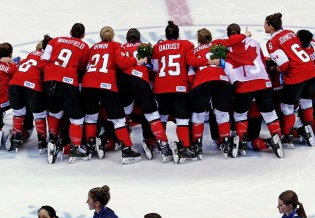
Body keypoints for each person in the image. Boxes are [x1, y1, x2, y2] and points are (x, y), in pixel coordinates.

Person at [212, 23, 284, 158]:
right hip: (263, 82)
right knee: (270, 114)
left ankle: (242, 143)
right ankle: (277, 139)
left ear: (228, 35)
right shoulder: (255, 42)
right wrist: (244, 37)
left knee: (240, 115)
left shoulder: (223, 46)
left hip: (243, 85)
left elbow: (214, 51)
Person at [151, 21, 219, 163]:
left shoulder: (158, 47)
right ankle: (185, 148)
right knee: (182, 119)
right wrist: (208, 62)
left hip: (160, 86)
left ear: (166, 34)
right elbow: (191, 61)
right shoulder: (186, 44)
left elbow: (156, 67)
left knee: (162, 117)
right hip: (179, 87)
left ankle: (163, 145)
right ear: (178, 34)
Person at [81, 26, 143, 164]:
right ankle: (127, 150)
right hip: (106, 85)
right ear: (113, 36)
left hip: (88, 84)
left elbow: (86, 66)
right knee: (119, 120)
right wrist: (136, 61)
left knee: (91, 117)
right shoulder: (116, 46)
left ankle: (90, 145)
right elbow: (122, 64)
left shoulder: (94, 48)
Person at [264, 13, 315, 147]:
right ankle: (308, 129)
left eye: (265, 24)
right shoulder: (290, 32)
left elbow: (284, 65)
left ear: (271, 27)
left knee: (287, 107)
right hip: (311, 71)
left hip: (296, 76)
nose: (264, 26)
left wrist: (273, 69)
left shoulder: (272, 43)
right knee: (306, 102)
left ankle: (287, 136)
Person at [39, 23, 90, 163]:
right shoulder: (84, 46)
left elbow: (43, 61)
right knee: (77, 118)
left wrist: (51, 72)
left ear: (70, 32)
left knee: (55, 112)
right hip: (69, 82)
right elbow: (82, 68)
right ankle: (75, 148)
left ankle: (53, 142)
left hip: (50, 81)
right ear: (83, 35)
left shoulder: (55, 40)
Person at [119, 28, 172, 162]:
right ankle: (163, 146)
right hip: (141, 83)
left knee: (122, 116)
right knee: (152, 115)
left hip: (124, 83)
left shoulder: (121, 47)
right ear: (139, 38)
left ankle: (125, 146)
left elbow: (118, 65)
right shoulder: (146, 47)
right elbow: (153, 68)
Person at [190, 28, 234, 158]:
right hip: (221, 80)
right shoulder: (218, 45)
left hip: (202, 82)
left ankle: (197, 144)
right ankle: (226, 141)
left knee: (199, 114)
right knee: (221, 113)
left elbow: (190, 68)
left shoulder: (193, 52)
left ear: (198, 40)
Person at [8, 36, 52, 152]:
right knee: (39, 114)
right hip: (32, 86)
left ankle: (16, 137)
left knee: (18, 112)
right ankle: (42, 140)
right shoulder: (47, 58)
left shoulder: (31, 54)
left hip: (15, 84)